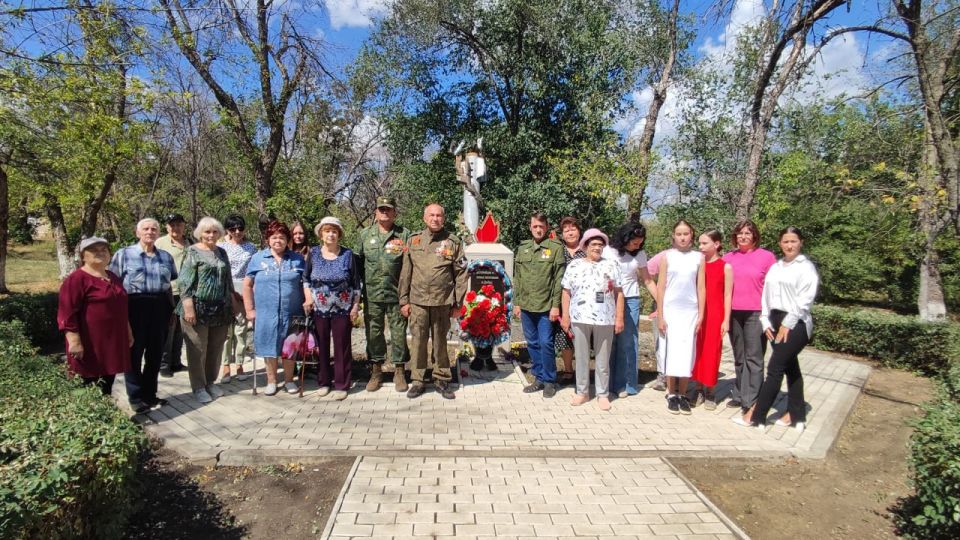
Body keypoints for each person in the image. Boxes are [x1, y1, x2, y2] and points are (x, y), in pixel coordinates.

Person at [737, 227, 818, 432]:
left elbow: (804, 300)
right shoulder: (776, 267)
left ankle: (756, 416)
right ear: (780, 243)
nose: (789, 245)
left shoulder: (806, 268)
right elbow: (766, 295)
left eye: (793, 241)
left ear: (801, 242)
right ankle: (796, 415)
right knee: (791, 368)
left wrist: (787, 324)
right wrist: (765, 320)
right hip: (774, 319)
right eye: (785, 241)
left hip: (796, 323)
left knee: (775, 369)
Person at [398, 203, 467, 400]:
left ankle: (441, 379)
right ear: (424, 218)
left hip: (442, 302)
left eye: (439, 215)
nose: (435, 219)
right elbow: (406, 272)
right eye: (431, 215)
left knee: (440, 342)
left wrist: (458, 303)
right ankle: (418, 380)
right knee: (418, 341)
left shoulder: (453, 242)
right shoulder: (414, 240)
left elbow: (461, 273)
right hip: (418, 301)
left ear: (443, 219)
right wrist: (404, 300)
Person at [110, 218, 178, 414]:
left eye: (154, 229)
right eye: (146, 229)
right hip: (134, 306)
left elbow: (169, 285)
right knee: (134, 353)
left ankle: (150, 394)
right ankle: (135, 397)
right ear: (137, 232)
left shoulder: (166, 257)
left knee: (155, 353)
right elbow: (114, 284)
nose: (150, 232)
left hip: (160, 305)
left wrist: (171, 310)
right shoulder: (124, 254)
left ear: (158, 233)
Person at [243, 220, 313, 396]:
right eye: (274, 237)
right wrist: (249, 309)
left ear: (287, 240)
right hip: (266, 313)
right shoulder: (257, 258)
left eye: (282, 237)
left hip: (292, 312)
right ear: (268, 239)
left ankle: (289, 380)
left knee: (289, 347)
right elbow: (247, 285)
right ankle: (272, 381)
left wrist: (308, 300)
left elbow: (306, 283)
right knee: (269, 347)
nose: (278, 241)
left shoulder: (297, 259)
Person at [57, 237, 133, 396]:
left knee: (107, 382)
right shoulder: (76, 279)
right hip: (89, 344)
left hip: (111, 343)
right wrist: (74, 341)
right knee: (88, 386)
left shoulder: (113, 277)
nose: (100, 253)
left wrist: (128, 331)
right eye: (94, 250)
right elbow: (66, 313)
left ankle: (106, 409)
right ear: (83, 256)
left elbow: (121, 307)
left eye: (104, 250)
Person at [560, 228, 624, 411]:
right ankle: (582, 392)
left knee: (603, 360)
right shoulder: (575, 265)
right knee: (581, 358)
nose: (597, 247)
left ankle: (602, 394)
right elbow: (566, 292)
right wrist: (566, 316)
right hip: (580, 317)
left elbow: (619, 293)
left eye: (600, 245)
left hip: (605, 318)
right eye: (594, 244)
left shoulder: (611, 265)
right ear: (585, 246)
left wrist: (619, 317)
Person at [176, 217, 236, 403]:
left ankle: (210, 382)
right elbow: (184, 282)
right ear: (200, 233)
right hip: (197, 308)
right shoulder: (192, 252)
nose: (211, 235)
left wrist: (233, 303)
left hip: (220, 308)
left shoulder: (222, 252)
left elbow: (228, 280)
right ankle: (199, 387)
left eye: (215, 231)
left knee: (216, 348)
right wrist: (188, 308)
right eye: (207, 232)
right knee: (198, 349)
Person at [356, 196, 411, 392]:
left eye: (388, 209)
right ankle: (376, 371)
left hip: (396, 294)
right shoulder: (365, 235)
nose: (385, 212)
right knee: (374, 333)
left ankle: (399, 371)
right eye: (381, 209)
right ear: (376, 212)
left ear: (395, 212)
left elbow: (409, 265)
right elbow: (358, 264)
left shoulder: (404, 235)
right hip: (372, 294)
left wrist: (407, 295)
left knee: (399, 333)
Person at [722, 220, 776, 413]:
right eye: (740, 233)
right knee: (739, 356)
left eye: (747, 233)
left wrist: (770, 315)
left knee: (754, 357)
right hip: (733, 312)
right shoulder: (728, 258)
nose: (743, 236)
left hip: (756, 313)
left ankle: (752, 399)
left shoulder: (767, 257)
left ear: (754, 236)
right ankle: (739, 394)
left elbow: (773, 287)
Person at [307, 216, 361, 400]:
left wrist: (355, 306)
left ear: (339, 234)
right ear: (321, 234)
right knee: (321, 345)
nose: (331, 235)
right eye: (327, 231)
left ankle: (341, 383)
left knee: (342, 346)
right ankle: (324, 382)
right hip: (319, 308)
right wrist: (308, 298)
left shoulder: (347, 254)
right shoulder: (313, 253)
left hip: (343, 308)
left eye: (334, 231)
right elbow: (306, 279)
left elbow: (356, 283)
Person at [514, 212, 565, 398]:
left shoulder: (555, 248)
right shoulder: (523, 248)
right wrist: (517, 303)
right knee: (533, 343)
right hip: (526, 305)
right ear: (530, 227)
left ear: (547, 227)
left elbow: (558, 279)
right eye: (535, 226)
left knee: (545, 343)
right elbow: (518, 278)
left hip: (545, 307)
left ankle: (550, 380)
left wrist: (555, 305)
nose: (538, 229)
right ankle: (539, 378)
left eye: (541, 226)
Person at [603, 222, 657, 399]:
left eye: (640, 243)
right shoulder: (608, 251)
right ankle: (605, 384)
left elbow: (647, 280)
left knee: (628, 342)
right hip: (608, 299)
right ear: (625, 238)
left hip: (630, 298)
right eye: (634, 243)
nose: (637, 246)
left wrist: (661, 302)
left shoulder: (640, 254)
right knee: (609, 342)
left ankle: (625, 384)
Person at [656, 220, 703, 415]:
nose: (682, 237)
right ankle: (671, 393)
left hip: (690, 311)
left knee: (686, 351)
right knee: (671, 351)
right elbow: (661, 287)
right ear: (673, 236)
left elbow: (701, 287)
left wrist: (701, 315)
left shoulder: (698, 258)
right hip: (671, 309)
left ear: (692, 235)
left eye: (686, 233)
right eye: (679, 234)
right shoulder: (667, 257)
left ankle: (682, 393)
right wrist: (660, 315)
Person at [690, 230, 733, 410]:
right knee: (697, 351)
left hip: (715, 315)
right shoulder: (697, 264)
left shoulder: (725, 267)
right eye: (699, 243)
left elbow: (728, 295)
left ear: (716, 244)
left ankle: (711, 391)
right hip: (697, 313)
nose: (700, 247)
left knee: (712, 352)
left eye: (704, 243)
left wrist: (726, 320)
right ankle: (698, 389)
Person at [218, 215, 256, 383]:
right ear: (227, 230)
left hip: (244, 288)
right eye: (233, 229)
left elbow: (253, 271)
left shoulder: (251, 248)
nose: (237, 232)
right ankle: (226, 366)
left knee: (241, 330)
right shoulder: (221, 247)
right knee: (227, 331)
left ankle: (239, 364)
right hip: (225, 288)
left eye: (240, 228)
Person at [156, 213, 189, 378]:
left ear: (184, 226)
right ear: (167, 227)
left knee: (181, 329)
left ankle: (176, 361)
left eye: (179, 224)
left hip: (186, 292)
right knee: (168, 329)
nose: (176, 228)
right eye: (172, 225)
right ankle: (163, 364)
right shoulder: (160, 243)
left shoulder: (190, 242)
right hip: (169, 291)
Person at [554, 216, 585, 385]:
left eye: (573, 229)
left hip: (584, 300)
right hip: (562, 298)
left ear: (579, 231)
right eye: (566, 230)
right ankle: (568, 370)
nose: (570, 233)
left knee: (584, 336)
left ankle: (583, 371)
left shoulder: (587, 250)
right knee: (564, 335)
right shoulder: (559, 250)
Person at [647, 250, 668, 391]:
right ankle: (662, 376)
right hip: (661, 306)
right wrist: (658, 297)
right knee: (661, 341)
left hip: (685, 308)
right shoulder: (664, 256)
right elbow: (645, 273)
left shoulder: (695, 257)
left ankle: (679, 378)